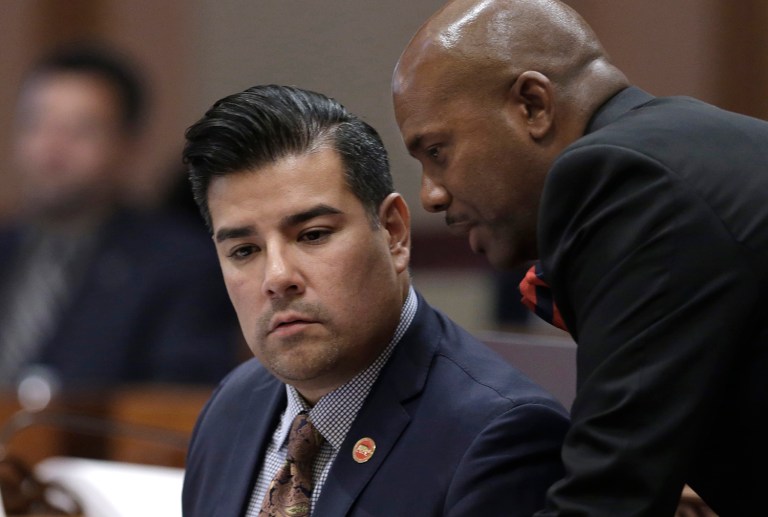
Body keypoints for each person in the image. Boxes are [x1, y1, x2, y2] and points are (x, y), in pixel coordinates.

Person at [392, 0, 768, 515]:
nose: (431, 195)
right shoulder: (683, 144)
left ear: (532, 105)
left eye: (437, 151)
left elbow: (608, 496)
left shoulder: (617, 178)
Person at [181, 84, 569, 517]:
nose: (277, 278)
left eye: (313, 235)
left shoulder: (499, 434)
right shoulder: (231, 405)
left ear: (394, 233)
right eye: (244, 251)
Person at [0, 43, 241, 388]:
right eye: (35, 124)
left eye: (79, 130)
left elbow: (178, 404)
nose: (49, 148)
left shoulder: (179, 263)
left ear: (128, 144)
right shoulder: (7, 248)